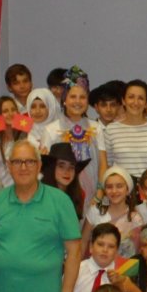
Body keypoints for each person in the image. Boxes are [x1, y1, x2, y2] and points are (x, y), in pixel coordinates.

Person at [0, 141, 82, 292]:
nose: (23, 167)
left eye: (29, 161)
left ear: (39, 166)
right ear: (9, 166)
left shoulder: (59, 201)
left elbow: (75, 252)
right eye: (17, 162)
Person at [40, 67, 101, 202]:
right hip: (59, 196)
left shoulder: (96, 129)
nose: (77, 102)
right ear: (64, 99)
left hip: (92, 197)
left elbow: (102, 164)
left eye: (82, 97)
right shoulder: (51, 130)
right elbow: (47, 169)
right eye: (73, 96)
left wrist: (99, 194)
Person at [100, 80, 147, 182]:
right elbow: (108, 166)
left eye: (140, 98)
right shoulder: (111, 130)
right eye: (131, 97)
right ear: (123, 100)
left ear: (146, 103)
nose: (135, 102)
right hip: (120, 192)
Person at [82, 166, 143, 259]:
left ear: (127, 190)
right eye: (109, 187)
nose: (114, 191)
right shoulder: (95, 211)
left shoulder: (135, 218)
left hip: (123, 269)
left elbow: (136, 252)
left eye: (119, 186)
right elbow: (83, 242)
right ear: (105, 190)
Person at [41, 143, 87, 220]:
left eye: (71, 167)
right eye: (61, 166)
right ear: (51, 168)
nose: (67, 171)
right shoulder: (40, 193)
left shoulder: (79, 195)